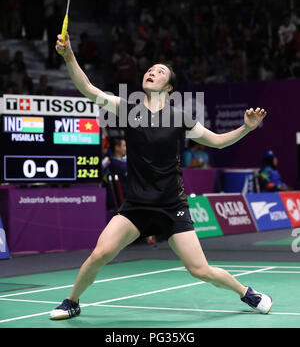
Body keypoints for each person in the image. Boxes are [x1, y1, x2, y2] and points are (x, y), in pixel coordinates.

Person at [50, 32, 272, 320]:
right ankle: (72, 301)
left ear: (168, 88)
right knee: (100, 254)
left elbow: (216, 141)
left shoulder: (180, 117)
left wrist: (246, 129)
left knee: (199, 269)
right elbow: (89, 89)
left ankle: (246, 293)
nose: (152, 72)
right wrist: (69, 56)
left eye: (160, 72)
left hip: (171, 206)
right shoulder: (128, 108)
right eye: (150, 69)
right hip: (136, 206)